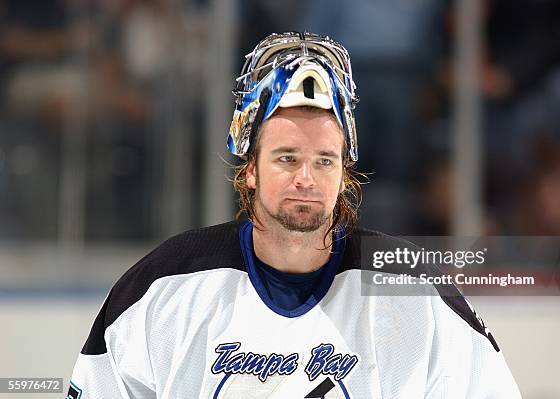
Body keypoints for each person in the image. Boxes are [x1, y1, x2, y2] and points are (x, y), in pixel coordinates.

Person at [67, 32, 521, 398]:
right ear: (249, 170)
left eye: (324, 160)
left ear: (345, 172)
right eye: (286, 158)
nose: (306, 178)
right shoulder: (162, 289)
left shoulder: (415, 293)